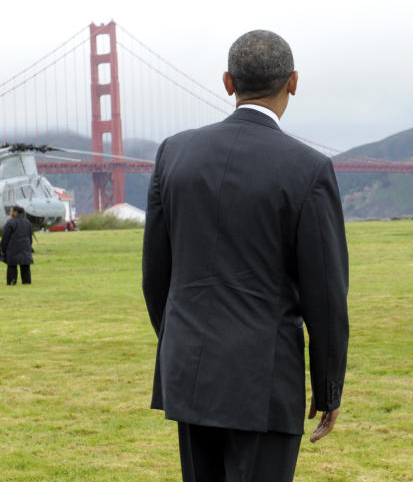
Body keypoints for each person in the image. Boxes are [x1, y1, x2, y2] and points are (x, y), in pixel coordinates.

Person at [142, 30, 350, 482]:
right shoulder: (308, 169)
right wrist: (329, 387)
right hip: (264, 379)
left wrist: (184, 340)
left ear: (226, 82)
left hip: (190, 372)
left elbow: (156, 277)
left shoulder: (173, 154)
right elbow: (326, 296)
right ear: (293, 82)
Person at [0, 205, 34, 285]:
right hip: (25, 248)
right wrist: (29, 246)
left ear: (15, 212)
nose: (10, 213)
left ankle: (12, 282)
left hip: (13, 249)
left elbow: (5, 238)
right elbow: (30, 237)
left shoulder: (10, 223)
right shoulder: (27, 222)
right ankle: (27, 282)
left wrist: (3, 249)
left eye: (11, 211)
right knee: (25, 267)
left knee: (12, 267)